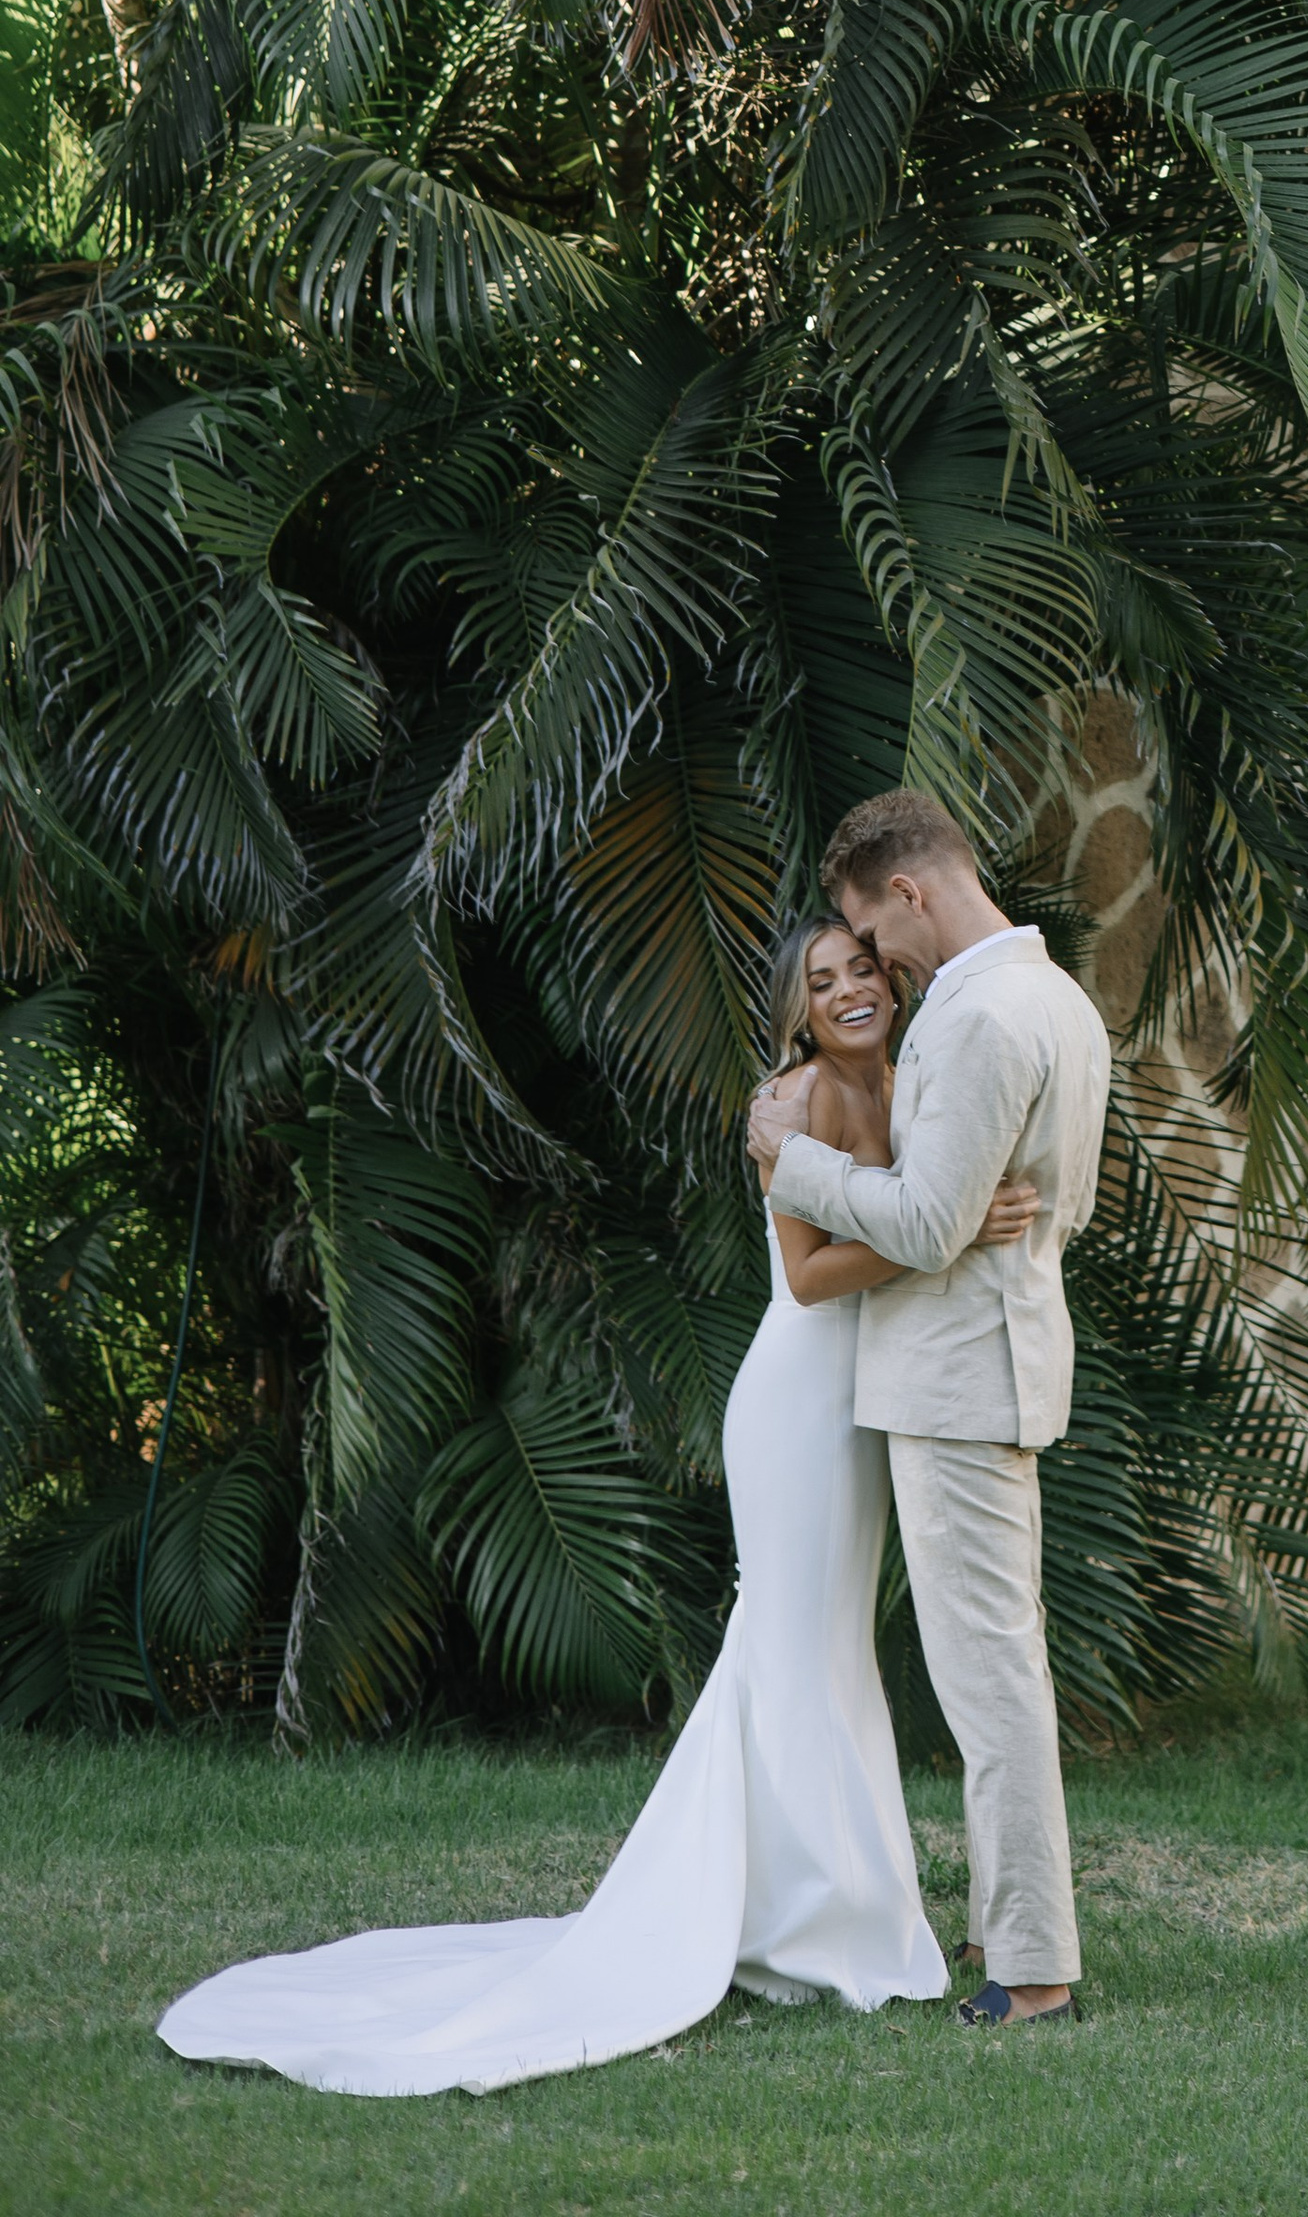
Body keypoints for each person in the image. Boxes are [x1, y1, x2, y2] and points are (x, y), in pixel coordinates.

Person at [156, 917, 1035, 2095]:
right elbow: (811, 1273)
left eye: (862, 969)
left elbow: (919, 1204)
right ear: (797, 1010)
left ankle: (812, 1908)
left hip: (860, 1399)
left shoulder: (903, 1082)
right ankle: (825, 1929)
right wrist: (952, 1235)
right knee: (795, 1648)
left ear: (891, 976)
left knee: (823, 1649)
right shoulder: (799, 1099)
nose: (848, 992)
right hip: (800, 1399)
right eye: (821, 982)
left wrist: (959, 1216)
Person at [746, 786, 1110, 2032]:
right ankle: (1007, 1932)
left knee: (989, 1682)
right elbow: (1050, 1206)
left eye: (871, 931)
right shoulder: (1058, 999)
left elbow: (924, 1223)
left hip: (957, 1382)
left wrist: (791, 1162)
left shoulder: (976, 1014)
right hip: (998, 1361)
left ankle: (1034, 1968)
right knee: (994, 1665)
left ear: (907, 891)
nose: (877, 961)